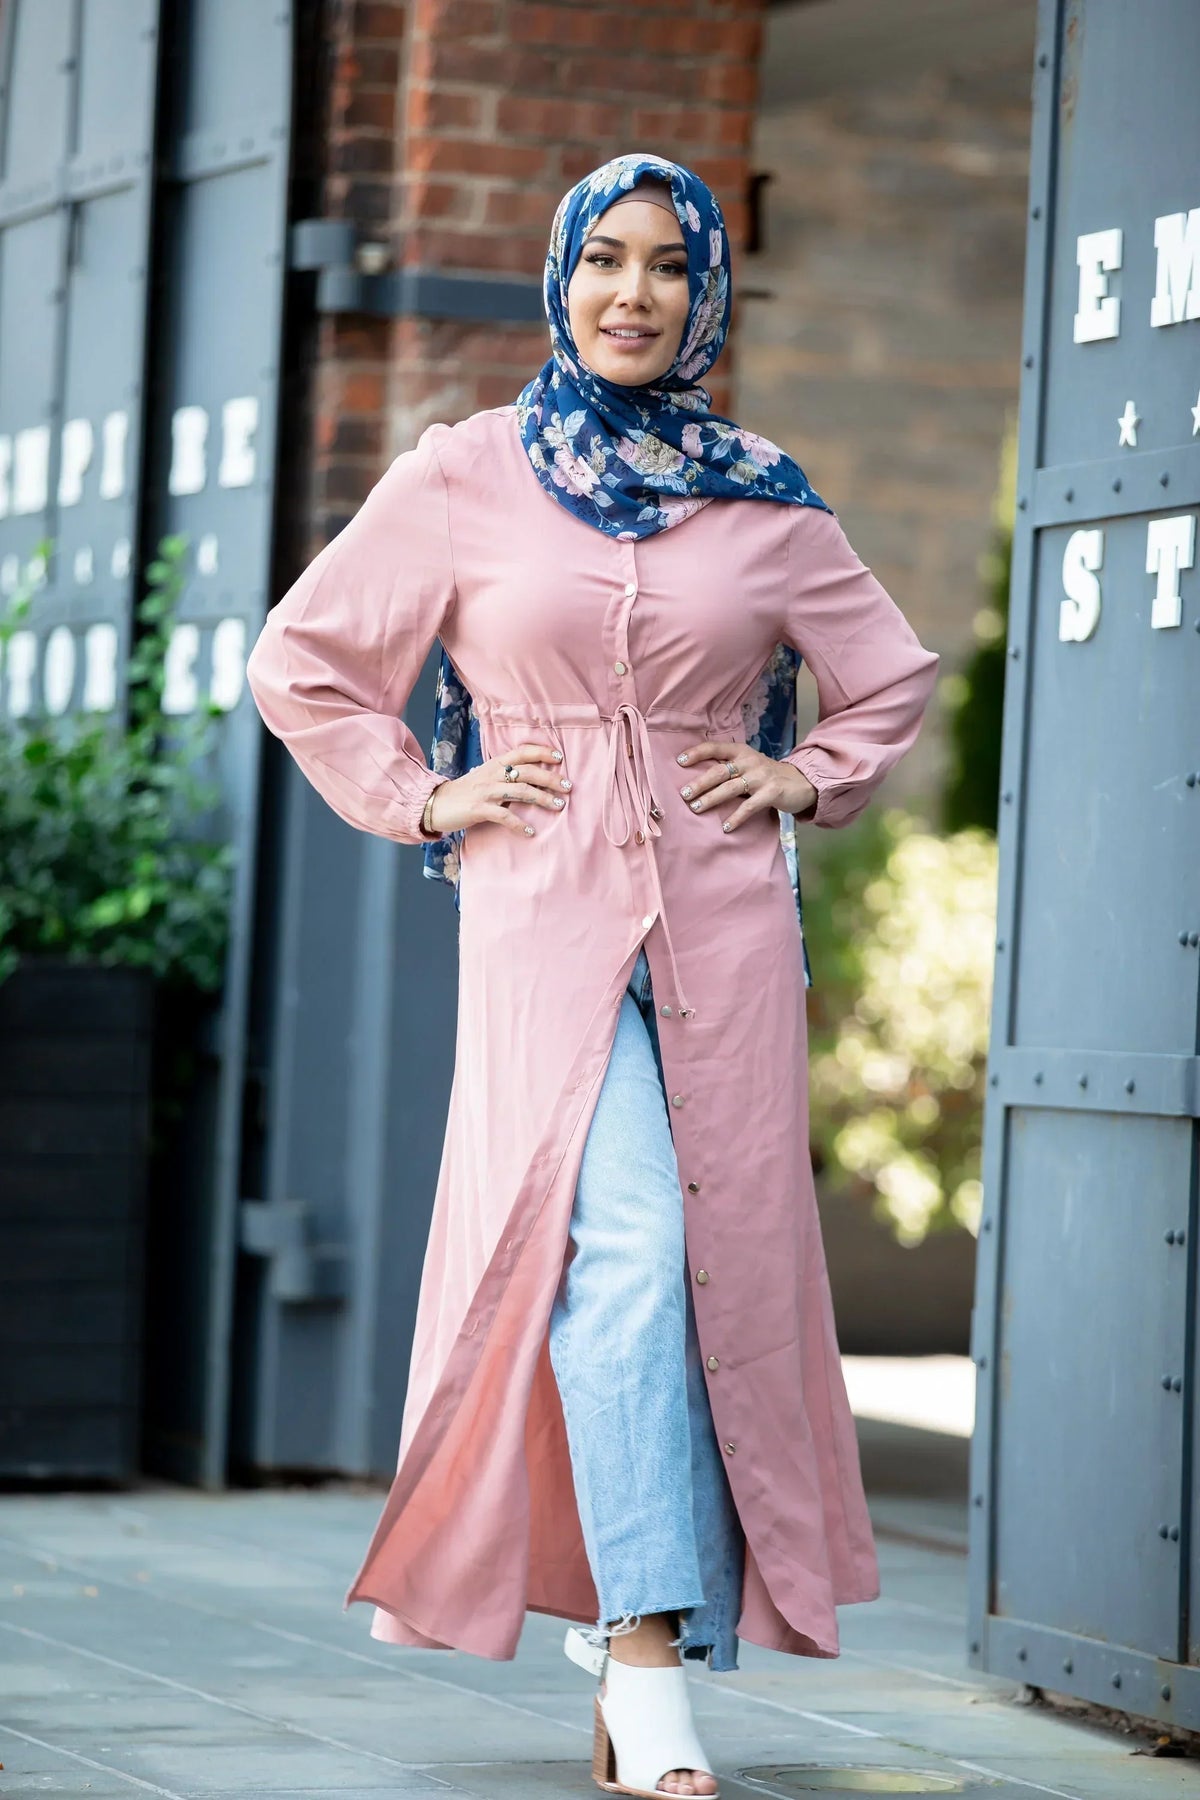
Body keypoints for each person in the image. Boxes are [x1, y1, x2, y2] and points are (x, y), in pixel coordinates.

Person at [246, 152, 939, 1800]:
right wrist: (428, 795)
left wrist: (802, 774)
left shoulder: (766, 500)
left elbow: (889, 680)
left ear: (707, 295)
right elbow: (303, 662)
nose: (636, 292)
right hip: (543, 927)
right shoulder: (466, 474)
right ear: (561, 279)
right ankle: (646, 1662)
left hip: (726, 938)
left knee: (708, 1273)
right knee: (624, 1252)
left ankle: (639, 1637)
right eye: (606, 259)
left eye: (670, 265)